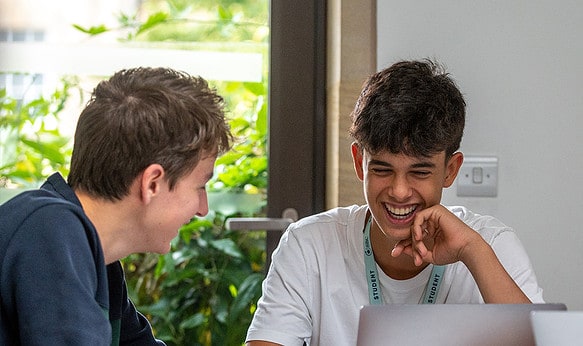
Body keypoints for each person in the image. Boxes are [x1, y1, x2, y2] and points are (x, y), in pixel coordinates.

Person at [245, 59, 544, 346]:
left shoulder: (491, 243)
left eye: (420, 171)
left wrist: (472, 251)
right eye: (382, 169)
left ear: (450, 170)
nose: (399, 192)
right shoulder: (308, 245)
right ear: (360, 163)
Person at [0, 67, 232, 345]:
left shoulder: (100, 264)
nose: (202, 209)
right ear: (152, 183)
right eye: (200, 186)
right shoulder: (49, 230)